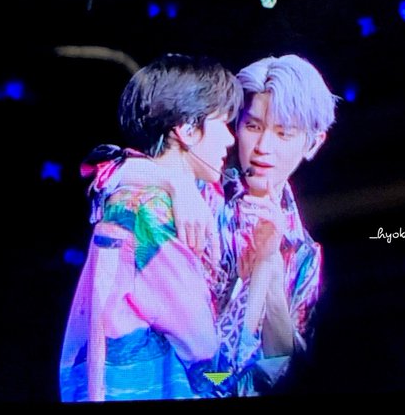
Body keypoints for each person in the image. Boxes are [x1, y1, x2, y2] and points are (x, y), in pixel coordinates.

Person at [110, 53, 340, 396]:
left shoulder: (302, 252)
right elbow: (105, 173)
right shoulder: (201, 183)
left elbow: (277, 371)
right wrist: (175, 184)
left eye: (283, 133)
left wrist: (270, 277)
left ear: (314, 142)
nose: (263, 147)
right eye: (253, 126)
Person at [58, 53, 245, 402]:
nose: (231, 139)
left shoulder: (141, 189)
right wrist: (233, 379)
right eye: (223, 123)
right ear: (187, 129)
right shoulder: (151, 209)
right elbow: (199, 345)